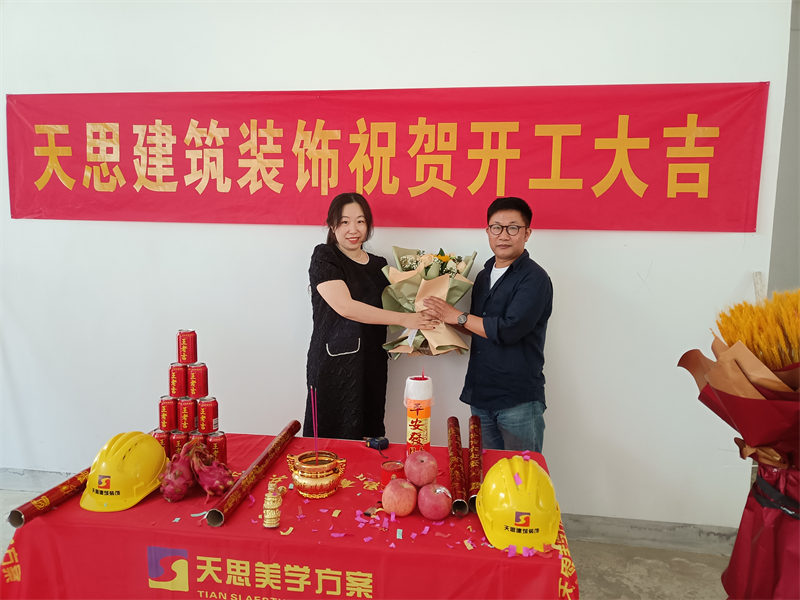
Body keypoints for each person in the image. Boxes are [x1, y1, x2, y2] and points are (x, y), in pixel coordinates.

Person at [424, 197, 552, 452]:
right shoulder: (483, 276)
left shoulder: (535, 278)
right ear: (487, 231)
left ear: (527, 233)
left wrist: (456, 316)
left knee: (520, 474)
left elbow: (508, 330)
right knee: (485, 472)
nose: (503, 235)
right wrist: (440, 317)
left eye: (513, 228)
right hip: (481, 394)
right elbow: (478, 326)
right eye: (496, 227)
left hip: (518, 400)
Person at [304, 192, 436, 440]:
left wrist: (427, 313)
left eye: (360, 221)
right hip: (334, 364)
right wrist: (405, 320)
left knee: (369, 433)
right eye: (344, 222)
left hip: (372, 361)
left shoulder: (379, 264)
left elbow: (397, 305)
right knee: (332, 436)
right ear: (332, 225)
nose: (353, 229)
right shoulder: (325, 256)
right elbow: (345, 307)